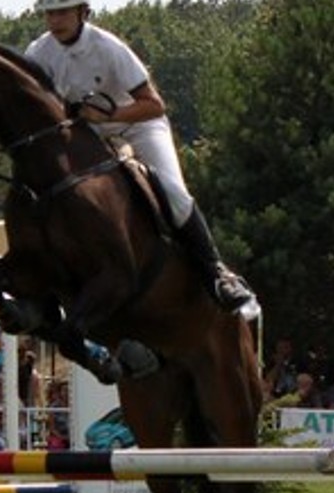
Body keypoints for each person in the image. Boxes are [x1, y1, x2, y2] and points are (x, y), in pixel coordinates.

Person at [25, 0, 256, 314]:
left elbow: (154, 104)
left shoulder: (109, 48)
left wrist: (110, 116)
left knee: (174, 192)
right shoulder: (38, 53)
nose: (55, 20)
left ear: (83, 12)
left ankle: (217, 273)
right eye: (50, 13)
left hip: (138, 125)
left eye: (63, 12)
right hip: (88, 133)